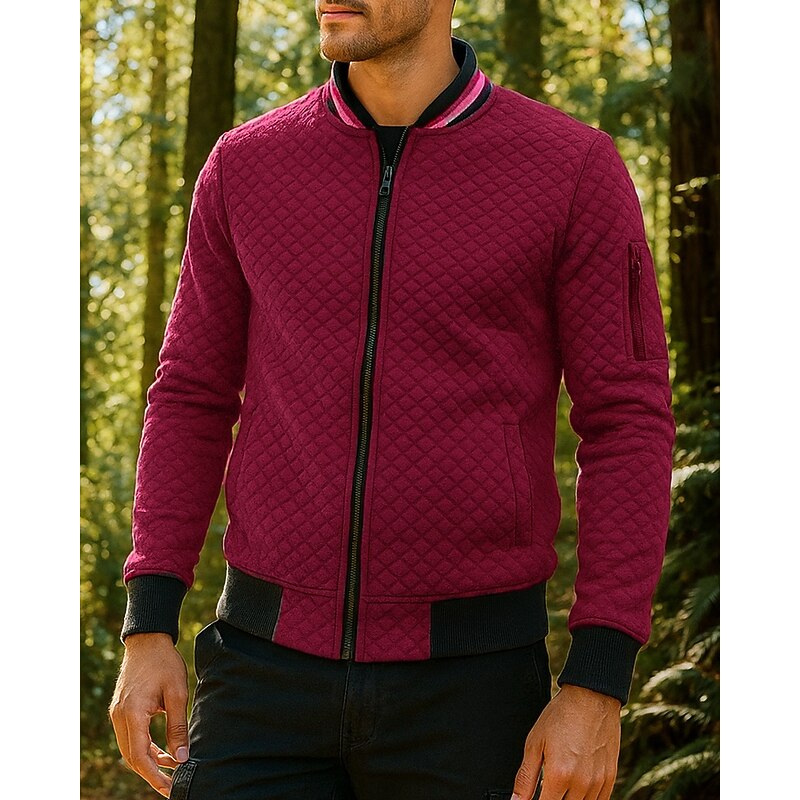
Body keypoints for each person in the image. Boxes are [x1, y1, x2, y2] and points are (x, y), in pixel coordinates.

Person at [109, 2, 676, 799]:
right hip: (259, 677)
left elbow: (627, 422)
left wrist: (597, 680)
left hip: (473, 693)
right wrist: (148, 624)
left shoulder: (570, 168)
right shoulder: (246, 165)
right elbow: (189, 394)